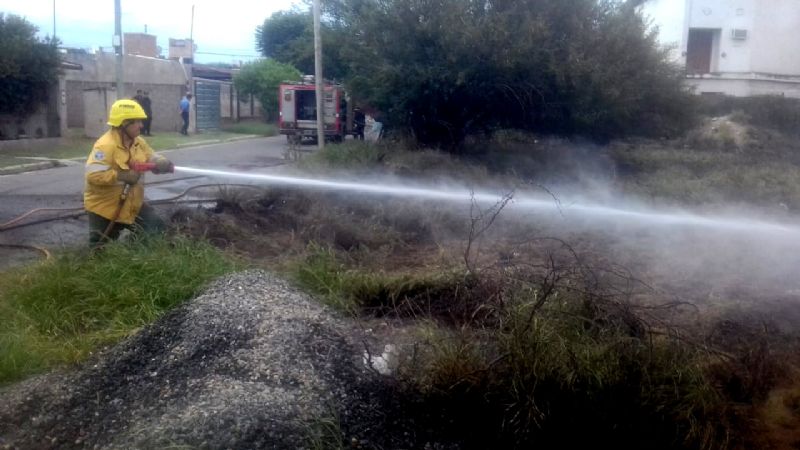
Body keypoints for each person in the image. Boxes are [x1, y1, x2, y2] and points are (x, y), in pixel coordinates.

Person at [84, 99, 174, 246]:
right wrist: (122, 176)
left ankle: (134, 252)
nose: (141, 125)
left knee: (156, 229)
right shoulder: (105, 145)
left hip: (132, 204)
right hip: (105, 209)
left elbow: (150, 155)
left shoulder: (138, 141)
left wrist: (160, 161)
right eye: (137, 121)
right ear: (124, 123)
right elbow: (93, 175)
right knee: (100, 248)